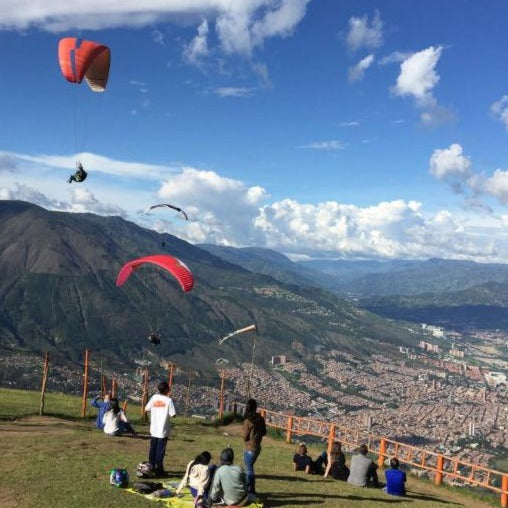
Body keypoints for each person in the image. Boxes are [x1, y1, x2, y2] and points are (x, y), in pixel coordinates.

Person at [145, 380, 176, 477]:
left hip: (154, 429)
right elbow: (173, 414)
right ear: (167, 390)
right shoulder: (168, 400)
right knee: (160, 451)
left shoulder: (154, 397)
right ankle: (159, 470)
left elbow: (146, 409)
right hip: (163, 430)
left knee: (152, 449)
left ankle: (151, 467)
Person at [242, 398, 266, 495]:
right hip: (257, 447)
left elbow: (244, 437)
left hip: (249, 448)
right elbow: (264, 432)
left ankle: (251, 491)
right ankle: (249, 488)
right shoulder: (260, 418)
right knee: (249, 468)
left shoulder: (248, 421)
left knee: (249, 469)